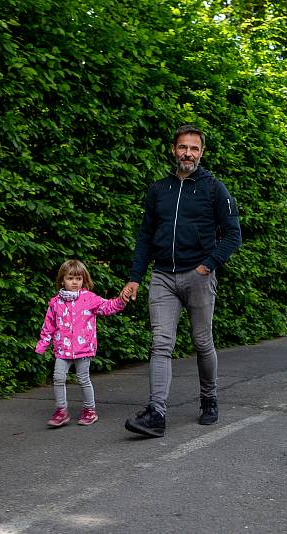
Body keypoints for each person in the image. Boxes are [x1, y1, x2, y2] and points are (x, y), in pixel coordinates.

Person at [122, 125, 242, 438]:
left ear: (201, 153)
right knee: (161, 343)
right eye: (182, 147)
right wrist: (135, 277)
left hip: (198, 275)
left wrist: (208, 265)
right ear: (173, 149)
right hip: (162, 276)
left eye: (194, 148)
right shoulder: (159, 189)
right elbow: (145, 236)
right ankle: (156, 414)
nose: (187, 153)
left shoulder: (214, 189)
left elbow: (233, 235)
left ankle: (209, 398)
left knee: (202, 342)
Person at [36, 259, 130, 427]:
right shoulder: (55, 303)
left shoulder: (89, 299)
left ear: (84, 280)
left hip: (83, 348)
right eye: (70, 278)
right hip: (62, 349)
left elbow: (107, 306)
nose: (75, 282)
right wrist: (43, 343)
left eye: (78, 279)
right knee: (58, 378)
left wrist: (121, 301)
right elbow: (48, 325)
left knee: (83, 379)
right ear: (62, 280)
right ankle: (61, 411)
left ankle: (89, 410)